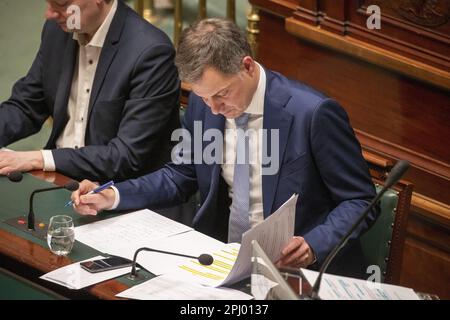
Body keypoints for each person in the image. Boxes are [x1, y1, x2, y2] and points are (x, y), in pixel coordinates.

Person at [71, 18, 379, 277]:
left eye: (222, 94)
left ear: (247, 66)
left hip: (299, 273)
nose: (214, 109)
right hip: (221, 261)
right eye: (205, 98)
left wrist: (313, 244)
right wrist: (113, 195)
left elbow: (361, 200)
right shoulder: (203, 106)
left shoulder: (312, 114)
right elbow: (181, 175)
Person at [0, 0, 180, 182]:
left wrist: (38, 158)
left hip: (115, 191)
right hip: (56, 177)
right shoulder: (58, 30)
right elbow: (26, 106)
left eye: (61, 4)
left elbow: (125, 156)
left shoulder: (150, 52)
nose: (50, 14)